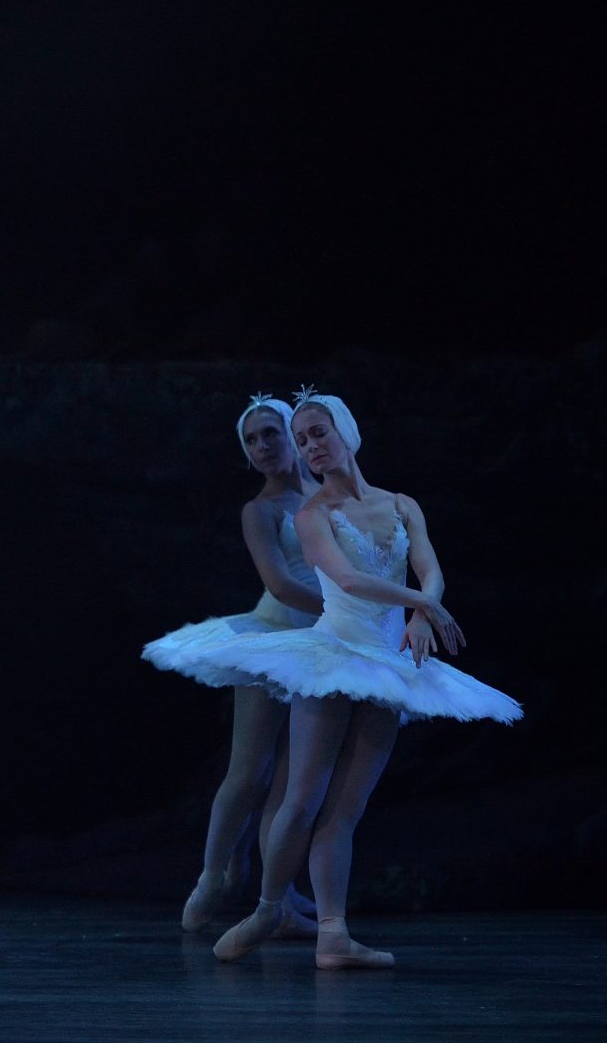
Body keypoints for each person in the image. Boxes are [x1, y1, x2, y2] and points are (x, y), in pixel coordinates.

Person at [188, 388, 521, 969]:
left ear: (346, 432)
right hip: (334, 655)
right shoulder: (311, 515)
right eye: (303, 439)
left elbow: (430, 566)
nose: (310, 446)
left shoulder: (401, 504)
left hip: (386, 663)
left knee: (346, 808)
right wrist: (424, 602)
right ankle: (269, 906)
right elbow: (346, 578)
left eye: (318, 433)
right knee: (301, 796)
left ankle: (334, 933)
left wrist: (423, 609)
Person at [141, 394, 323, 933]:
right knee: (251, 769)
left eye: (271, 433)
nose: (263, 446)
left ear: (294, 435)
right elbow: (282, 584)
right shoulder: (260, 510)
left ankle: (279, 894)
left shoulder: (327, 497)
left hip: (321, 646)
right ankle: (214, 875)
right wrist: (351, 613)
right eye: (252, 439)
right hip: (276, 636)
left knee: (294, 783)